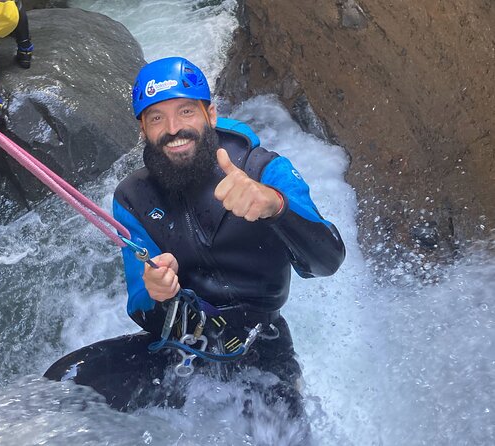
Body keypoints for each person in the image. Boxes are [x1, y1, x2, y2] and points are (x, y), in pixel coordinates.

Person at [45, 57, 345, 418]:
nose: (173, 128)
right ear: (143, 129)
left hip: (261, 341)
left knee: (282, 429)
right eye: (157, 117)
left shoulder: (264, 170)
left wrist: (275, 206)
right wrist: (159, 293)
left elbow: (327, 261)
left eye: (186, 111)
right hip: (185, 342)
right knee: (64, 385)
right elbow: (143, 309)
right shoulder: (133, 197)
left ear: (211, 114)